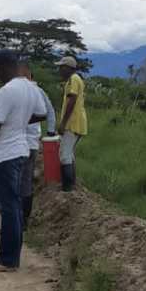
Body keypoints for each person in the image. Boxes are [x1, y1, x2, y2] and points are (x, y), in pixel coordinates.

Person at [0, 50, 46, 272]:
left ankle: (7, 260)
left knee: (8, 207)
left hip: (5, 155)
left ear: (3, 68)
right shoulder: (31, 88)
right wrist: (18, 121)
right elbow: (41, 114)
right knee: (15, 204)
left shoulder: (6, 91)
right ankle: (12, 255)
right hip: (21, 151)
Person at [17, 62, 56, 228]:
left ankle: (15, 220)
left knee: (14, 182)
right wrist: (51, 132)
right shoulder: (39, 92)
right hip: (31, 144)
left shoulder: (13, 91)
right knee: (26, 182)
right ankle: (24, 221)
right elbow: (50, 111)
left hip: (15, 145)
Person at [57, 56, 87, 191]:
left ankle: (67, 187)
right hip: (78, 122)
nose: (59, 70)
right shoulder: (76, 79)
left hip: (72, 123)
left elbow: (72, 100)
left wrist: (63, 123)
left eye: (61, 67)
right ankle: (72, 185)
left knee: (65, 155)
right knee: (70, 154)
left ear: (68, 68)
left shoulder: (73, 79)